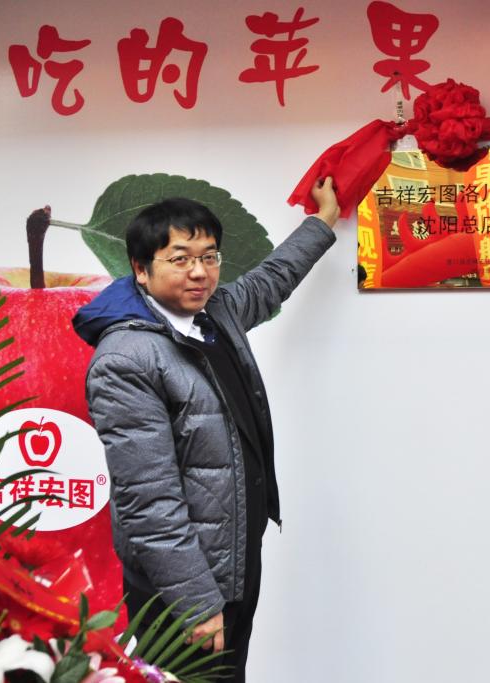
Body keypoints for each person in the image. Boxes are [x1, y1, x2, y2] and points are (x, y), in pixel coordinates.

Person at [73, 178, 341, 682]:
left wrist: (323, 220)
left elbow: (273, 278)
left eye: (209, 256)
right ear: (140, 269)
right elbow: (148, 502)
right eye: (180, 259)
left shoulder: (215, 314)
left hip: (230, 557)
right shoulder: (126, 360)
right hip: (181, 585)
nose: (199, 272)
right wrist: (194, 602)